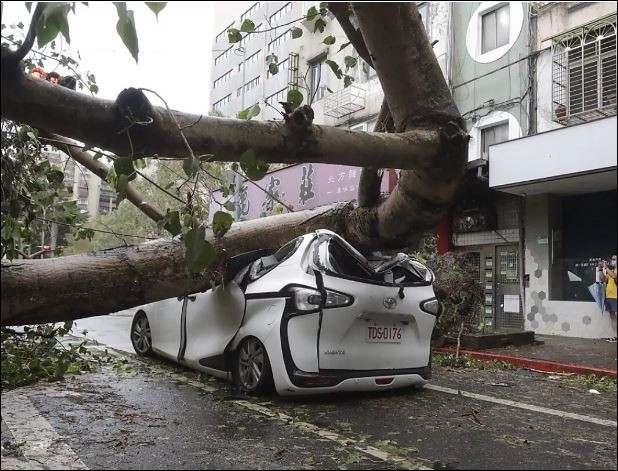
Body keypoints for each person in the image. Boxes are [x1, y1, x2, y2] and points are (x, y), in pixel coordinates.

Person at [600, 255, 617, 342]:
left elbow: (614, 276)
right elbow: (603, 280)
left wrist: (606, 267)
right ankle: (615, 336)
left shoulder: (613, 271)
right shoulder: (611, 270)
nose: (613, 261)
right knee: (612, 316)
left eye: (614, 259)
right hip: (609, 296)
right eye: (612, 259)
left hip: (616, 296)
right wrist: (600, 269)